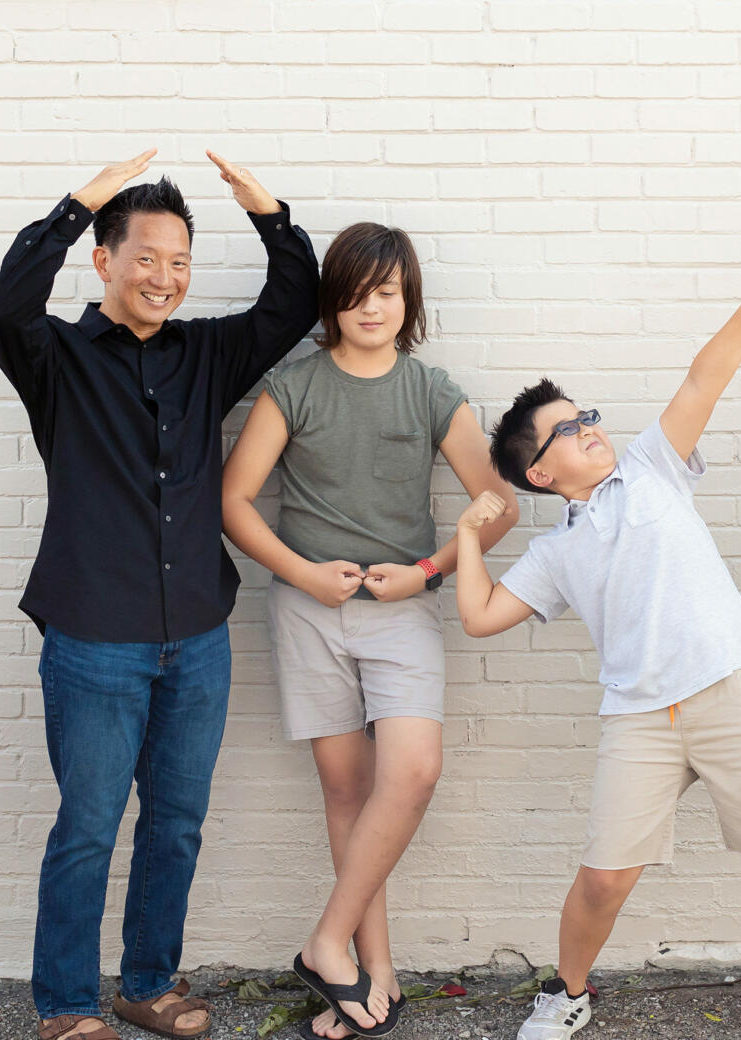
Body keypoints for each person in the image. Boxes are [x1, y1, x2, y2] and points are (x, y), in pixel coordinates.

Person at [455, 271, 741, 1040]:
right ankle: (565, 994)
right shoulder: (553, 553)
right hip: (640, 717)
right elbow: (479, 616)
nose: (588, 428)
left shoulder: (652, 466)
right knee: (603, 880)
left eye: (585, 415)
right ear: (540, 474)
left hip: (731, 688)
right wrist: (464, 537)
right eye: (566, 429)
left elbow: (702, 380)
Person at [0, 149, 319, 1040]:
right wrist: (78, 203)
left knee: (176, 824)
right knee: (89, 827)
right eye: (145, 258)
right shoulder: (55, 356)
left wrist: (270, 215)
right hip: (95, 639)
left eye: (179, 262)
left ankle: (147, 984)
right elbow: (6, 304)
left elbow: (294, 304)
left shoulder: (206, 352)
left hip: (198, 636)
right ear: (104, 261)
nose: (164, 277)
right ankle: (64, 1005)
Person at [221, 222, 519, 1038]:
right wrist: (304, 573)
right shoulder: (294, 387)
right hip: (308, 610)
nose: (370, 307)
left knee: (412, 773)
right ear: (333, 302)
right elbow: (234, 500)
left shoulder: (430, 391)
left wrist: (427, 572)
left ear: (407, 298)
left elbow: (498, 506)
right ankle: (369, 972)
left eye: (386, 292)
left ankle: (326, 942)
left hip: (402, 609)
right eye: (354, 293)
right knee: (349, 793)